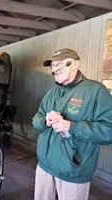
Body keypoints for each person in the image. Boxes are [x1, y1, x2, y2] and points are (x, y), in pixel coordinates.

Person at [32, 48, 112, 200]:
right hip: (44, 166)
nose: (55, 69)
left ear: (74, 64)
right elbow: (36, 120)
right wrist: (45, 121)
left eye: (59, 65)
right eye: (53, 65)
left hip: (73, 171)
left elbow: (109, 131)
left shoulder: (95, 92)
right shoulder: (52, 93)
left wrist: (71, 126)